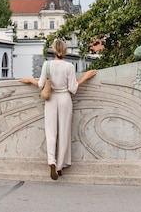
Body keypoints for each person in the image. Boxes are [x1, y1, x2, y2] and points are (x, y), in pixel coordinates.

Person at [20, 39, 97, 180]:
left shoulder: (47, 65)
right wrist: (86, 76)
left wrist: (30, 80)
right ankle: (60, 166)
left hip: (51, 99)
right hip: (65, 99)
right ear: (65, 50)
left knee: (51, 132)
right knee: (64, 132)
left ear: (53, 50)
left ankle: (52, 162)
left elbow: (41, 84)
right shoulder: (69, 66)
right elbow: (73, 88)